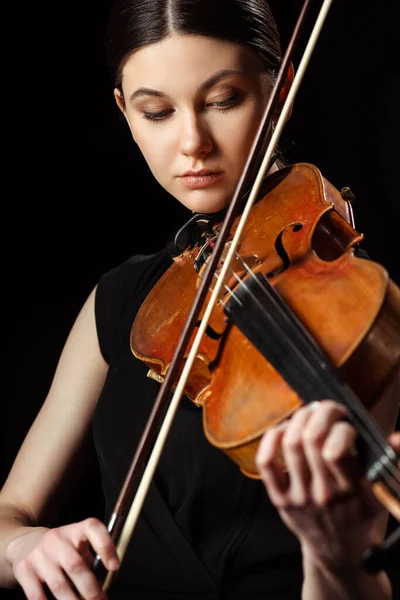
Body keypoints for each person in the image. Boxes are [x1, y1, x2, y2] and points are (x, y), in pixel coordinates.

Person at [1, 0, 400, 599]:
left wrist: (334, 557)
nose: (192, 142)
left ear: (278, 89)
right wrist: (23, 545)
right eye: (156, 112)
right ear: (124, 112)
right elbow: (10, 510)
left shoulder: (361, 312)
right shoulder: (122, 302)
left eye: (223, 100)